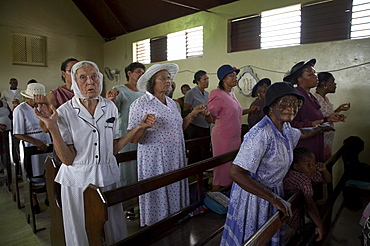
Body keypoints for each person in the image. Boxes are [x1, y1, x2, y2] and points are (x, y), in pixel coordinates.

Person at [35, 61, 156, 246]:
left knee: (112, 227)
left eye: (94, 76)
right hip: (78, 181)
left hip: (107, 177)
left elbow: (113, 148)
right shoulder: (65, 111)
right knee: (81, 229)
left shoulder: (109, 107)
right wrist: (53, 129)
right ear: (75, 82)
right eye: (83, 77)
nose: (90, 82)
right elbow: (67, 159)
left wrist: (138, 127)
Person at [220, 82, 334, 246]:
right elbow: (235, 173)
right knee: (253, 238)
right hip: (254, 197)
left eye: (295, 104)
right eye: (285, 103)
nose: (291, 108)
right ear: (271, 106)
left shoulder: (285, 128)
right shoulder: (261, 134)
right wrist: (274, 199)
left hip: (272, 192)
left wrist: (323, 127)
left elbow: (302, 133)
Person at [128, 63, 210, 227]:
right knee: (157, 190)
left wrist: (193, 115)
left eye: (169, 78)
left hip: (175, 155)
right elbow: (133, 139)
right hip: (155, 158)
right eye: (163, 78)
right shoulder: (140, 104)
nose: (168, 81)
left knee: (174, 186)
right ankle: (157, 225)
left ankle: (175, 219)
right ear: (152, 82)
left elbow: (179, 128)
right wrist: (143, 126)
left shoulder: (173, 104)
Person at [208, 64, 259, 191]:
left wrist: (250, 110)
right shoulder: (217, 94)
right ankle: (215, 196)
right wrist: (205, 114)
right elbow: (211, 117)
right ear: (223, 79)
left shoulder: (232, 93)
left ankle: (228, 195)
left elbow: (234, 112)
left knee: (232, 166)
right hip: (223, 137)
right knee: (221, 169)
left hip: (234, 137)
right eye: (231, 75)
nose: (235, 78)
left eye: (235, 75)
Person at [283, 59, 346, 163]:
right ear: (300, 79)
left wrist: (327, 119)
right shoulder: (296, 97)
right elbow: (289, 125)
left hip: (315, 143)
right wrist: (312, 124)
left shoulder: (310, 96)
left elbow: (315, 119)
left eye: (315, 73)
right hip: (304, 149)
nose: (316, 76)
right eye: (310, 74)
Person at [13, 83, 53, 214]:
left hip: (46, 141)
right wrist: (36, 142)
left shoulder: (43, 107)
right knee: (32, 173)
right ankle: (33, 199)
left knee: (49, 171)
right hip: (30, 145)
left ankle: (49, 196)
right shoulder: (20, 109)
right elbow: (18, 133)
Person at [106, 62, 146, 188]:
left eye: (143, 73)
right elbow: (113, 111)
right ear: (129, 74)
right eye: (139, 72)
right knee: (128, 165)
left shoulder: (145, 91)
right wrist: (111, 100)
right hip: (127, 132)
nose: (142, 75)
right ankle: (128, 194)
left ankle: (142, 191)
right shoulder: (120, 90)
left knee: (142, 162)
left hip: (144, 133)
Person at [283, 147, 331, 241]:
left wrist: (324, 170)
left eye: (314, 163)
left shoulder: (306, 172)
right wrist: (320, 225)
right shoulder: (303, 180)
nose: (313, 166)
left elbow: (327, 180)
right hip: (290, 216)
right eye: (308, 164)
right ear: (296, 166)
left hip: (295, 210)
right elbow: (310, 206)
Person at [313, 72, 350, 160]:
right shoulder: (315, 98)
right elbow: (314, 119)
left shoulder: (325, 99)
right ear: (324, 84)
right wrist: (329, 119)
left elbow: (327, 116)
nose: (335, 84)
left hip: (327, 139)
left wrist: (338, 111)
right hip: (319, 139)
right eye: (333, 82)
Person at [184, 70, 213, 164]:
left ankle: (203, 172)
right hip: (195, 127)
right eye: (204, 79)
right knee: (195, 153)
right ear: (198, 81)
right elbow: (186, 110)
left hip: (205, 125)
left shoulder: (207, 94)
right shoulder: (191, 93)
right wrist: (195, 110)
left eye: (207, 79)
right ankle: (193, 174)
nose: (207, 81)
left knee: (205, 151)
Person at [0, 98, 12, 177]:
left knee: (9, 150)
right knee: (2, 151)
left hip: (9, 130)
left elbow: (10, 114)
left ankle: (10, 170)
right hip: (0, 131)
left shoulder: (4, 103)